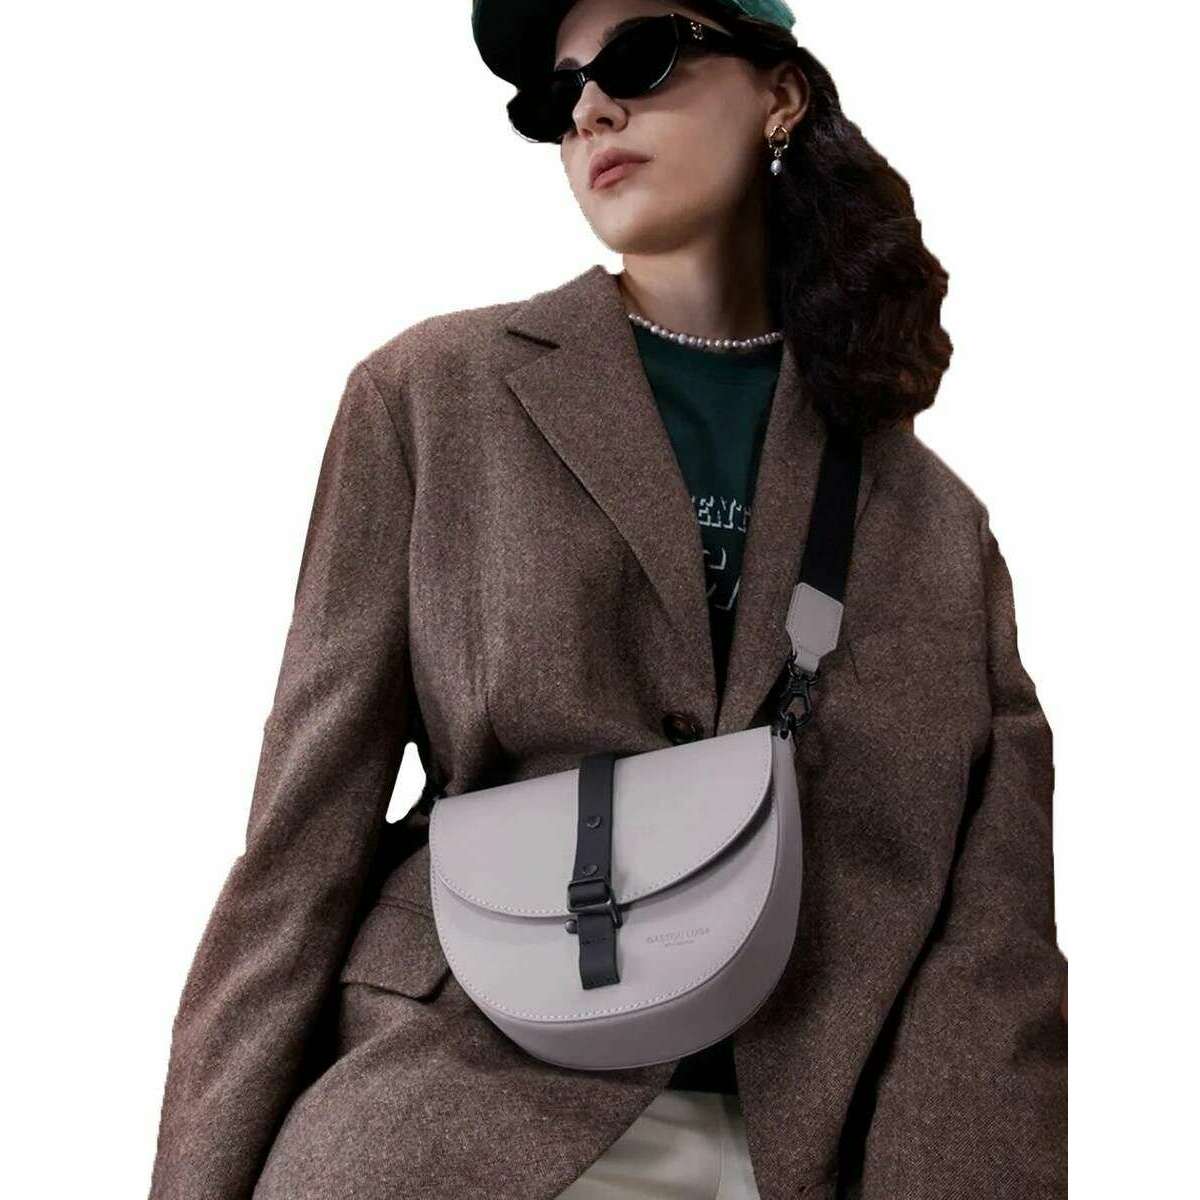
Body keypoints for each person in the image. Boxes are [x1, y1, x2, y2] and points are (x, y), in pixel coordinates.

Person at [146, 2, 1068, 1197]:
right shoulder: (432, 401)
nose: (590, 108)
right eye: (556, 94)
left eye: (641, 56)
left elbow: (992, 954)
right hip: (444, 1123)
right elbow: (298, 846)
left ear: (780, 95)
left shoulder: (936, 526)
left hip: (792, 1147)